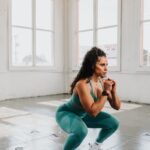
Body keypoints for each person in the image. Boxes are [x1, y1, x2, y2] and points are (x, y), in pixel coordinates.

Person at [55, 47, 121, 150]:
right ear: (92, 65)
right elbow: (93, 112)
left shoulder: (101, 82)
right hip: (66, 114)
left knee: (113, 123)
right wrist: (106, 92)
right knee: (81, 131)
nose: (106, 68)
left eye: (106, 65)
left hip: (83, 115)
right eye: (102, 65)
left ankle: (95, 146)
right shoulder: (82, 84)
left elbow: (117, 106)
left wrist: (113, 90)